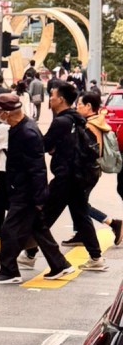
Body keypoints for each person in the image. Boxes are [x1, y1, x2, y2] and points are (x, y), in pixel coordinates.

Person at [0, 93, 71, 285]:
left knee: (9, 231)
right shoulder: (19, 128)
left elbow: (37, 169)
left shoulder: (27, 132)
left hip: (26, 193)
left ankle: (9, 271)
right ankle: (60, 265)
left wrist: (39, 199)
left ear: (6, 113)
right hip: (22, 190)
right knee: (38, 229)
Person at [36, 80, 105, 271]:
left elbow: (44, 144)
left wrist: (53, 149)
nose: (50, 99)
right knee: (81, 215)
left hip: (65, 176)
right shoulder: (77, 118)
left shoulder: (61, 121)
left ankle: (32, 254)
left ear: (61, 100)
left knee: (43, 217)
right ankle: (96, 258)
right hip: (78, 175)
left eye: (52, 96)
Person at [66, 90, 123, 247]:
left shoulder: (91, 125)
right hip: (92, 170)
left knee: (78, 203)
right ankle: (80, 233)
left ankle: (113, 223)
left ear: (89, 106)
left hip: (88, 171)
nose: (76, 107)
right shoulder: (98, 120)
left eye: (79, 104)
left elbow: (93, 150)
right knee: (78, 201)